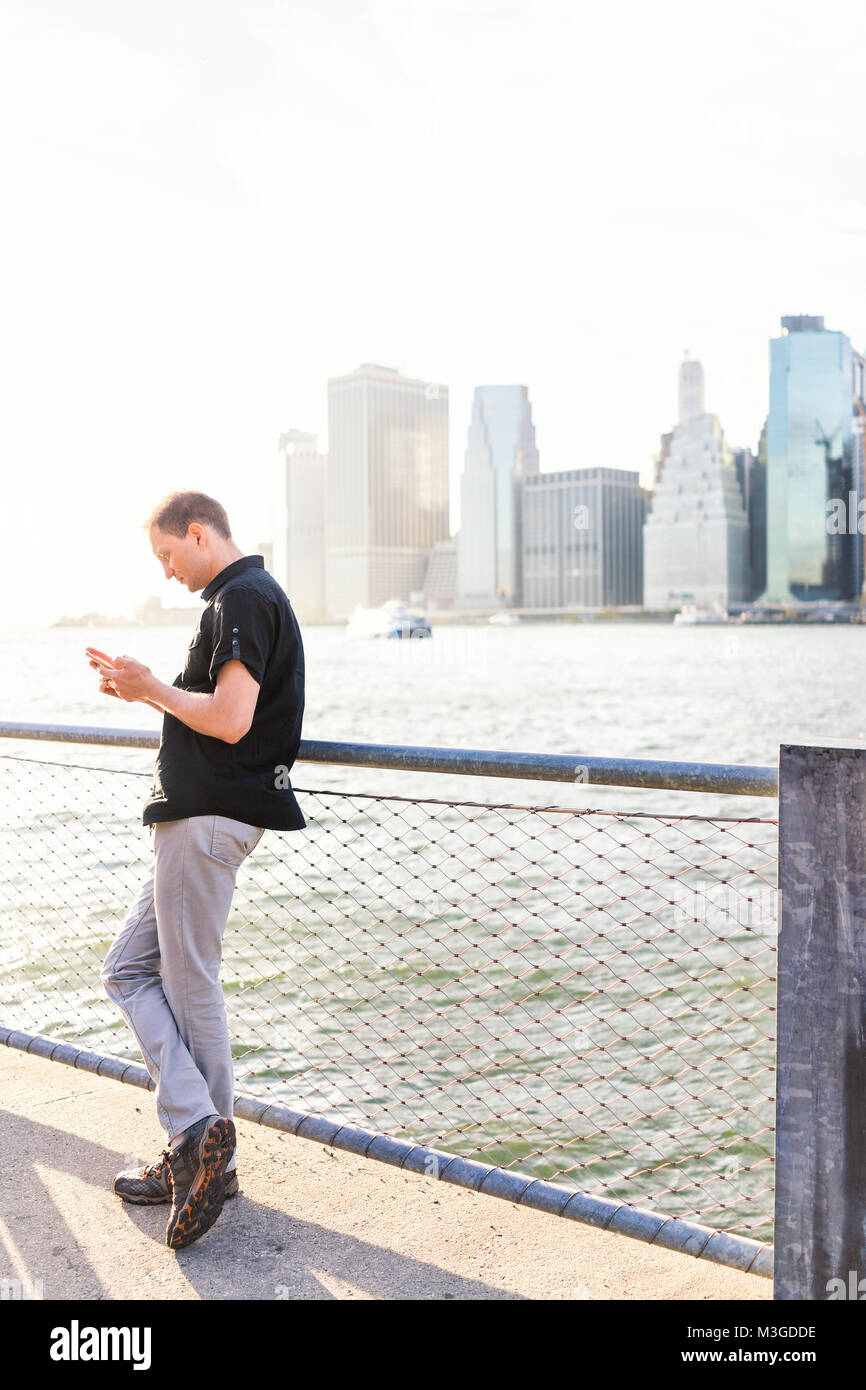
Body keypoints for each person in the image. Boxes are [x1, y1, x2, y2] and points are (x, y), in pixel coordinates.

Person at [97, 490, 305, 1250]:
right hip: (203, 816)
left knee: (189, 987)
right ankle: (203, 1144)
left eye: (167, 555)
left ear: (197, 533)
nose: (166, 571)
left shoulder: (241, 596)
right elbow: (222, 714)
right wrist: (145, 690)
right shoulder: (245, 597)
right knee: (128, 969)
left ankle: (198, 1143)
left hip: (207, 817)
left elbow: (231, 718)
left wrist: (149, 686)